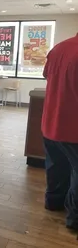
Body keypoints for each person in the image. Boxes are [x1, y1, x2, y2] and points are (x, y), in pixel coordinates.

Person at [42, 34, 78, 230]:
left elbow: (48, 76)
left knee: (56, 166)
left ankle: (53, 202)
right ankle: (75, 220)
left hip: (51, 122)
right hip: (74, 128)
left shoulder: (58, 48)